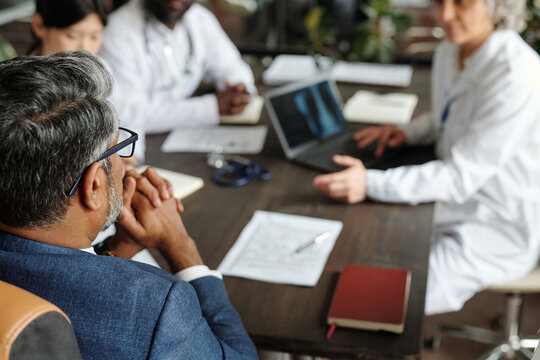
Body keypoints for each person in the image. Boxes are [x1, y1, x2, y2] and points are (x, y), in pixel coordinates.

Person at [0, 51, 258, 359]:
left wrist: (120, 246)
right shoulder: (153, 306)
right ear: (93, 186)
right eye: (119, 149)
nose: (129, 163)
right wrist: (182, 250)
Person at [313, 0, 540, 315]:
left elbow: (459, 177)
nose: (445, 15)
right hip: (449, 198)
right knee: (355, 249)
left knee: (389, 301)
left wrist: (369, 183)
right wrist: (408, 132)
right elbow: (448, 115)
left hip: (495, 222)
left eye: (461, 2)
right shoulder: (453, 48)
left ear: (497, 5)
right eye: (439, 1)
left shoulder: (517, 76)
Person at [99, 0, 256, 163]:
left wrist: (239, 89)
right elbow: (133, 114)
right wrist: (212, 106)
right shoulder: (117, 30)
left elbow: (232, 65)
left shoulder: (200, 18)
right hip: (143, 145)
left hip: (181, 137)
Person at [29, 0, 109, 56]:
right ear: (39, 25)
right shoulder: (23, 79)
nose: (85, 50)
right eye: (72, 36)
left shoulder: (106, 72)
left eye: (94, 37)